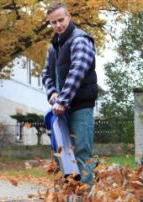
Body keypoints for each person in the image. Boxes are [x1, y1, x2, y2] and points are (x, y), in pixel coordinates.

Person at [41, 2, 98, 187]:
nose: (58, 25)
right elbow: (46, 73)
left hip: (80, 108)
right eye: (53, 22)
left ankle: (85, 197)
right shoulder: (54, 46)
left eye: (61, 20)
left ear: (69, 16)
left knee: (81, 154)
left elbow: (77, 70)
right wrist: (51, 92)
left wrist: (63, 100)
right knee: (61, 156)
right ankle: (65, 197)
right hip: (60, 111)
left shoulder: (80, 39)